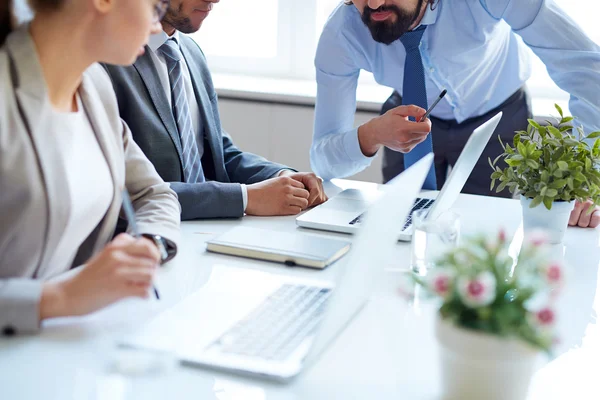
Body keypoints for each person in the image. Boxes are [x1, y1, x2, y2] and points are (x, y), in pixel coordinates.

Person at [312, 0, 600, 227]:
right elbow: (324, 162)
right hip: (404, 122)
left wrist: (583, 177)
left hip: (497, 116)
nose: (373, 4)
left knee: (487, 239)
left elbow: (586, 68)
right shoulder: (342, 32)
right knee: (403, 232)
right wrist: (371, 134)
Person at [0, 0, 181, 335]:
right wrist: (57, 297)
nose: (157, 26)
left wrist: (149, 246)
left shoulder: (95, 86)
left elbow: (154, 192)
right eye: (156, 7)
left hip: (62, 347)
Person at [103, 0, 328, 221]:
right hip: (145, 236)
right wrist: (245, 198)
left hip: (206, 229)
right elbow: (123, 191)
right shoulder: (106, 61)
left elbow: (218, 153)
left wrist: (282, 177)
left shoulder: (190, 52)